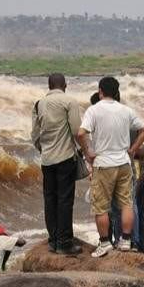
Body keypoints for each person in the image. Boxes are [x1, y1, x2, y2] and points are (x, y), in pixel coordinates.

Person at [77, 77, 144, 258]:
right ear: (117, 91)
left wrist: (88, 152)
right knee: (126, 203)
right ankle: (126, 241)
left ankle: (104, 243)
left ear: (100, 91)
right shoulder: (126, 110)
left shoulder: (94, 110)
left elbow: (81, 133)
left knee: (101, 206)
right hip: (124, 163)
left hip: (104, 164)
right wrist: (133, 149)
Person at [89, 91, 144, 253]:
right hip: (131, 169)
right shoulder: (127, 115)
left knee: (118, 208)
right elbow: (143, 147)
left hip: (119, 168)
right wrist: (133, 152)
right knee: (134, 209)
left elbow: (141, 149)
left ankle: (123, 241)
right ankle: (136, 244)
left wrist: (130, 151)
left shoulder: (107, 119)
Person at [31, 73, 82, 255]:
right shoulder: (69, 102)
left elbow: (35, 135)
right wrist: (86, 151)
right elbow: (77, 131)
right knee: (65, 200)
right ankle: (65, 242)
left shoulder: (38, 104)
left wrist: (43, 150)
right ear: (65, 85)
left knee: (49, 199)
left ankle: (52, 240)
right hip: (65, 158)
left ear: (49, 85)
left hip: (47, 160)